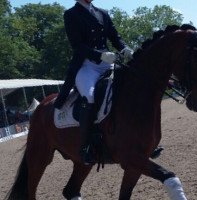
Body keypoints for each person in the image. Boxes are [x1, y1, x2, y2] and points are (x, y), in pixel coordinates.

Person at [54, 0, 133, 164]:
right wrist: (99, 55)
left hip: (108, 61)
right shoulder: (71, 14)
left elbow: (114, 36)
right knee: (89, 96)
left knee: (130, 85)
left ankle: (138, 135)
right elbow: (77, 46)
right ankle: (86, 147)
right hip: (86, 66)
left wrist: (124, 48)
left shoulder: (102, 12)